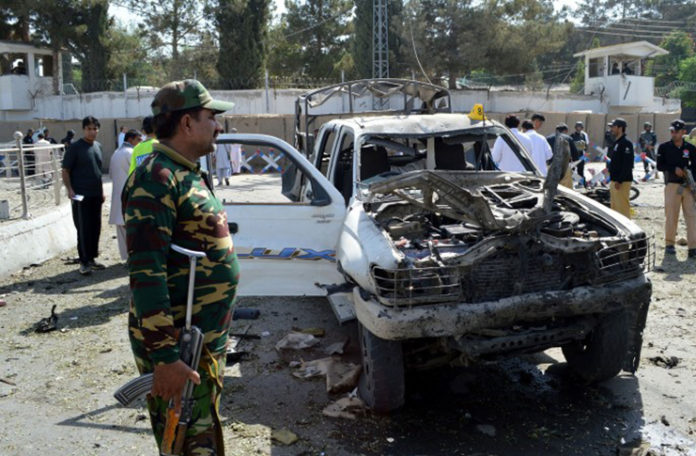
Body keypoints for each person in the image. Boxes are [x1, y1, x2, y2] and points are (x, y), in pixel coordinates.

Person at [122, 79, 238, 454]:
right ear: (187, 124)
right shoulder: (155, 179)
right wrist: (166, 357)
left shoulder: (187, 171)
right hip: (178, 347)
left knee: (202, 435)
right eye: (211, 117)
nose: (217, 125)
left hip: (202, 342)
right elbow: (146, 272)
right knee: (187, 442)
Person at [61, 116, 106, 275]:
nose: (92, 132)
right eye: (89, 128)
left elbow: (99, 173)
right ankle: (84, 262)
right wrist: (70, 189)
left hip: (95, 195)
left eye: (95, 128)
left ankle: (92, 258)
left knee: (96, 227)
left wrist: (101, 192)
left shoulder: (98, 147)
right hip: (80, 196)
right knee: (83, 228)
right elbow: (65, 170)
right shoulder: (75, 148)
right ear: (83, 129)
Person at [656, 119, 696, 258]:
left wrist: (690, 177)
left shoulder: (690, 148)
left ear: (683, 132)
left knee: (691, 217)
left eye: (677, 131)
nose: (673, 133)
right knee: (671, 215)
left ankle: (693, 247)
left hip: (688, 186)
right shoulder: (664, 147)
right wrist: (673, 169)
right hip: (672, 185)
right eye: (672, 131)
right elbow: (660, 166)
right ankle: (669, 244)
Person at [108, 129, 141, 261]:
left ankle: (126, 257)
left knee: (122, 231)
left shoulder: (115, 153)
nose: (140, 142)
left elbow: (110, 174)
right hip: (129, 197)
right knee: (132, 230)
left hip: (118, 197)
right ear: (131, 139)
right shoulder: (131, 153)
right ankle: (133, 258)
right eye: (138, 140)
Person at [607, 118, 634, 218]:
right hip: (615, 180)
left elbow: (628, 164)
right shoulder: (617, 142)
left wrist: (620, 180)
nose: (611, 129)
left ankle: (628, 230)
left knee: (622, 209)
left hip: (621, 182)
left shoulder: (626, 143)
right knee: (615, 209)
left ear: (620, 128)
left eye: (613, 127)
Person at [546, 123, 579, 189]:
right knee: (566, 190)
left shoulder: (548, 138)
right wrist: (574, 165)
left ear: (556, 130)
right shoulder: (568, 138)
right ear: (566, 131)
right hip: (564, 167)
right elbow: (575, 154)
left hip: (550, 166)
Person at [570, 121, 589, 186]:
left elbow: (586, 145)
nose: (579, 128)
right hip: (574, 155)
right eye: (578, 126)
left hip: (581, 155)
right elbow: (570, 145)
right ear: (575, 127)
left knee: (580, 170)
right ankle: (570, 182)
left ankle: (581, 182)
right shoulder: (572, 135)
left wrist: (585, 154)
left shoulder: (583, 135)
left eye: (580, 127)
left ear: (582, 128)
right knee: (571, 171)